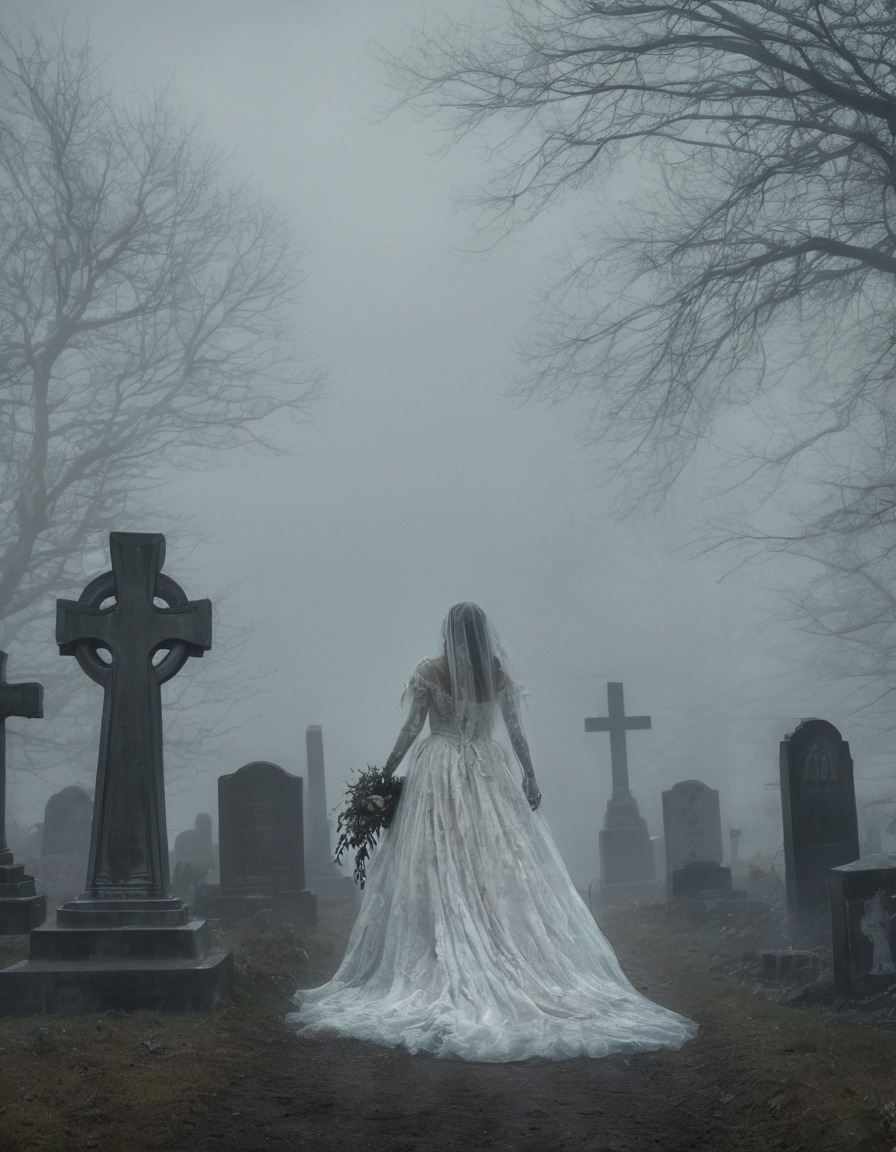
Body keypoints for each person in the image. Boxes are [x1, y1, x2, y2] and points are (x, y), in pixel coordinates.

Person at [287, 602, 697, 1061]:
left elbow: (411, 728)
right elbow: (516, 731)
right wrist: (529, 775)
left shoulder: (430, 671)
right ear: (483, 635)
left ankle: (444, 945)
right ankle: (500, 940)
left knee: (437, 861)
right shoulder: (496, 673)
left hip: (438, 769)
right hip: (488, 769)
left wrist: (384, 775)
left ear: (448, 633)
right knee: (495, 858)